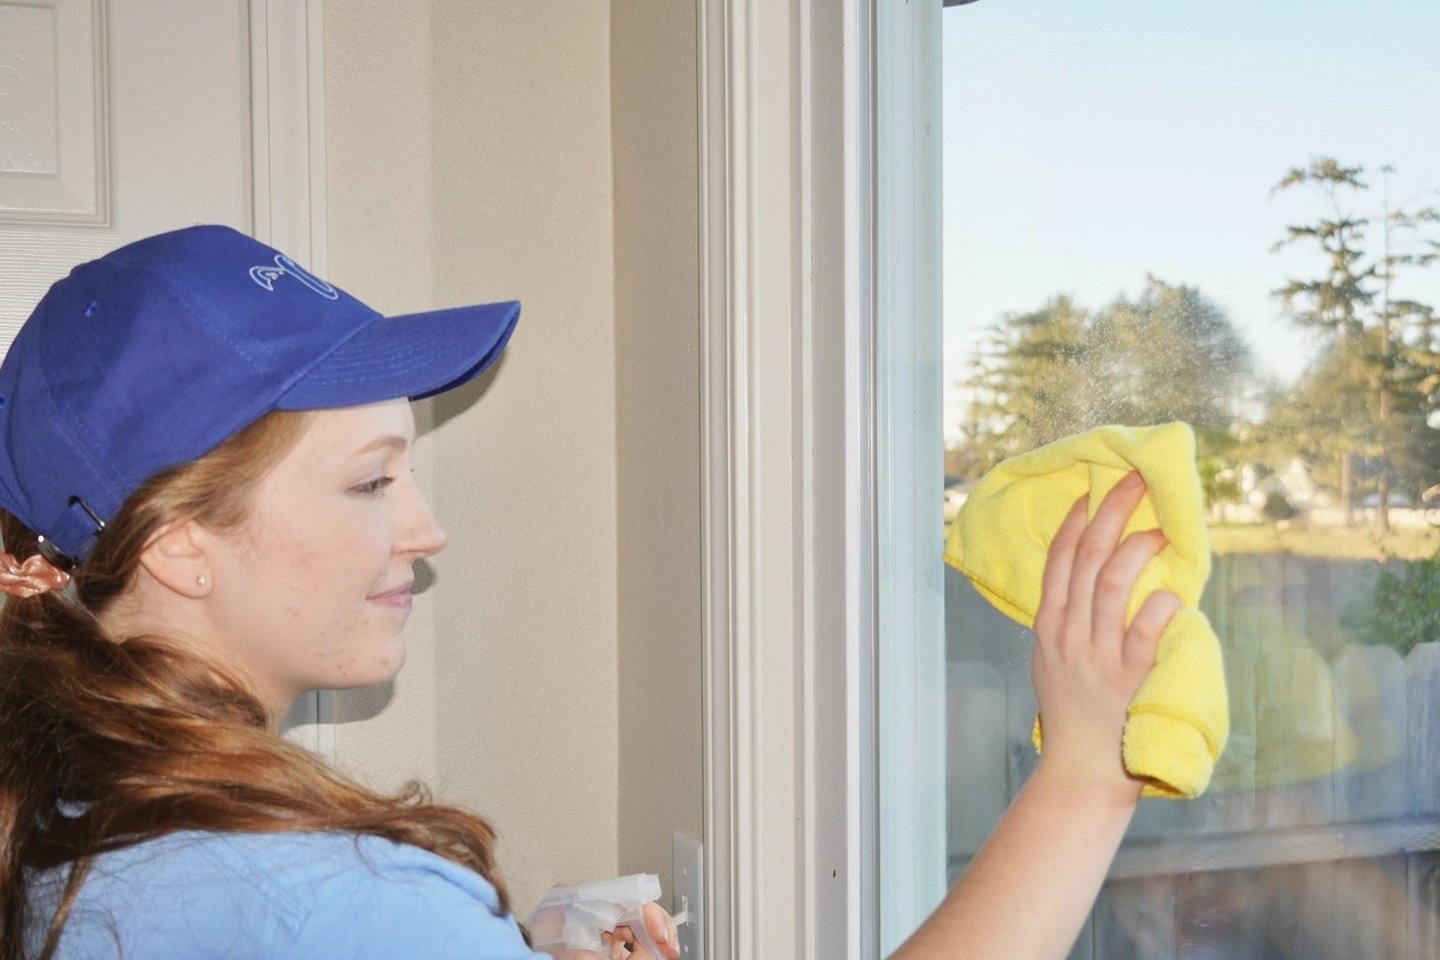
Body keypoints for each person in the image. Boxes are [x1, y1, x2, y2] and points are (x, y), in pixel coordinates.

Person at [0, 226, 1173, 960]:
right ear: (180, 547)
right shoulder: (335, 907)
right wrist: (1085, 778)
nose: (428, 529)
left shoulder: (72, 807)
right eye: (372, 481)